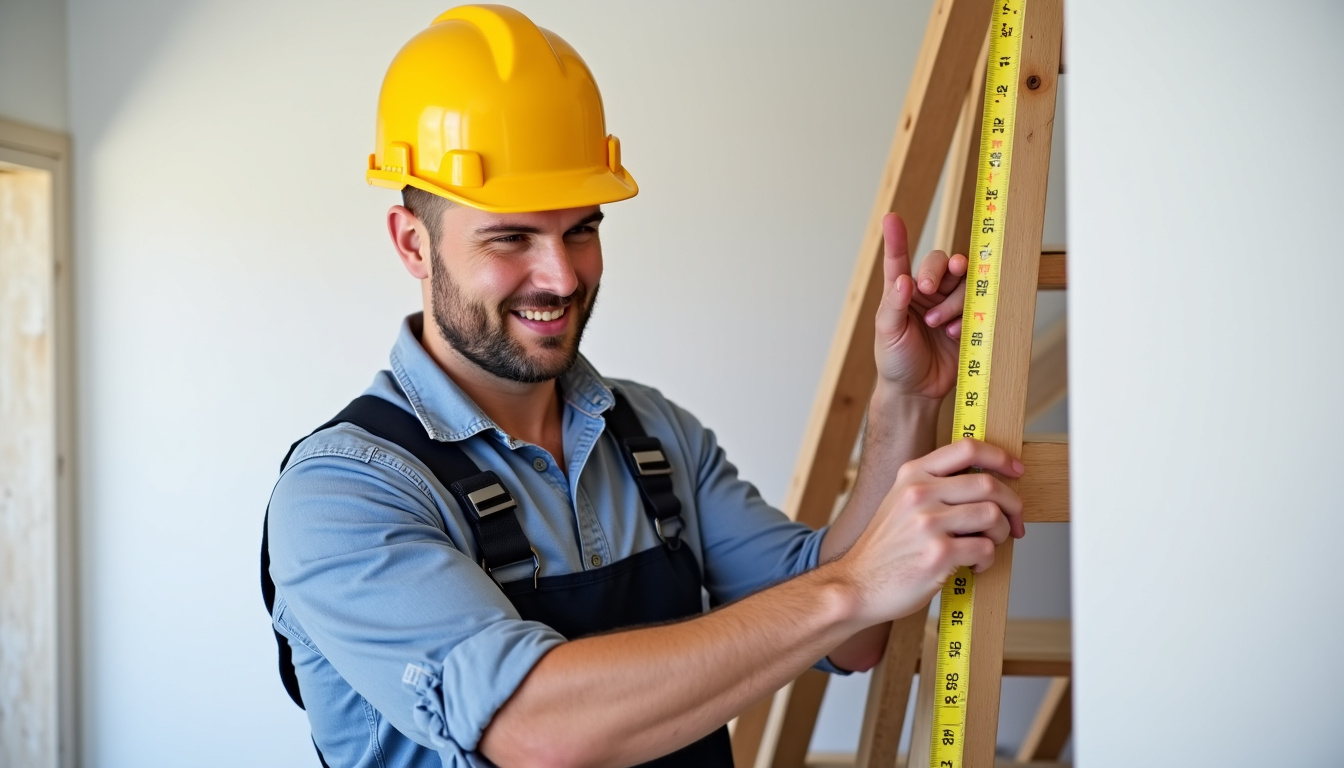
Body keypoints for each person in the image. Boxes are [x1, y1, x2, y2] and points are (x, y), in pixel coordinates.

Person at [263, 5, 1025, 767]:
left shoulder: (653, 435)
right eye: (511, 237)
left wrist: (908, 398)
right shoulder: (342, 494)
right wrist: (853, 585)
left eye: (581, 230)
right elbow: (539, 729)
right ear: (412, 244)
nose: (561, 277)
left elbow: (855, 636)